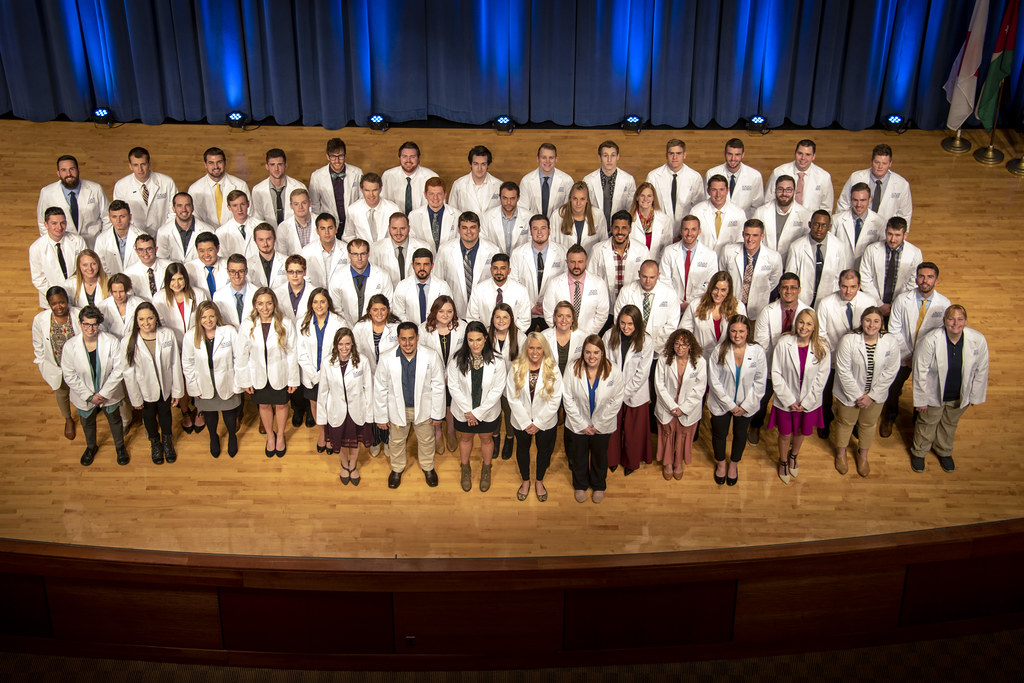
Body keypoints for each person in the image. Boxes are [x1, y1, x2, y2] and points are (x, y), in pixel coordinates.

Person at [910, 305, 989, 473]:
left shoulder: (978, 340)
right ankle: (919, 452)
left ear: (966, 321)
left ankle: (944, 450)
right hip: (934, 394)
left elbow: (981, 369)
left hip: (958, 395)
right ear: (944, 321)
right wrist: (921, 399)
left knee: (950, 424)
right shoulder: (930, 340)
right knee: (927, 424)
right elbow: (920, 371)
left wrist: (974, 396)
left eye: (960, 319)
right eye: (951, 319)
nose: (955, 323)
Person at [881, 262, 949, 438]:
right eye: (922, 276)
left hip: (929, 357)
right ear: (916, 278)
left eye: (930, 277)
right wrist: (909, 355)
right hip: (904, 354)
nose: (925, 280)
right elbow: (894, 329)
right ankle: (889, 416)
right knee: (893, 387)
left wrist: (920, 357)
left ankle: (919, 419)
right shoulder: (903, 300)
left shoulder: (944, 304)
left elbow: (942, 334)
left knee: (924, 388)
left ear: (937, 280)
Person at [374, 322, 445, 488]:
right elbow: (380, 388)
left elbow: (439, 386)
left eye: (411, 338)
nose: (407, 343)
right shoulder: (386, 358)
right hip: (398, 410)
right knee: (396, 441)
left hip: (424, 410)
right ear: (398, 339)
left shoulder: (431, 356)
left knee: (427, 440)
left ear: (417, 337)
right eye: (403, 339)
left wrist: (437, 414)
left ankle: (428, 467)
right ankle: (397, 469)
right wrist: (382, 417)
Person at [832, 307, 900, 477]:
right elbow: (843, 370)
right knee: (845, 423)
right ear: (861, 321)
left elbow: (891, 371)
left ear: (882, 323)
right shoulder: (848, 340)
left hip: (875, 396)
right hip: (850, 395)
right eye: (868, 320)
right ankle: (841, 455)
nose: (871, 324)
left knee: (868, 425)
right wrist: (858, 396)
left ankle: (863, 456)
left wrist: (871, 396)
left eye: (876, 321)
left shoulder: (890, 341)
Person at [235, 287, 300, 457]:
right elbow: (241, 355)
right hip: (258, 376)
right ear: (255, 305)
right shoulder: (248, 324)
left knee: (281, 405)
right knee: (263, 405)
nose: (265, 308)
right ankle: (270, 436)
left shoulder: (285, 323)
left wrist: (293, 379)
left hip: (280, 375)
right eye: (260, 303)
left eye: (269, 303)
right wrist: (245, 380)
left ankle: (280, 436)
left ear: (274, 304)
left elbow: (292, 353)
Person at [61, 305, 128, 466]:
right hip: (85, 395)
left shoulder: (111, 342)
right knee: (87, 422)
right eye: (86, 324)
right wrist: (89, 396)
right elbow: (69, 375)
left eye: (93, 324)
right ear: (80, 324)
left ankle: (120, 447)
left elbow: (119, 369)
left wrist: (104, 393)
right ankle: (91, 446)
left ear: (98, 324)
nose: (90, 328)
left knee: (115, 420)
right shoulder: (70, 346)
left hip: (108, 393)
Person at [769, 310, 831, 484]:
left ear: (814, 327)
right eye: (801, 322)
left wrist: (807, 401)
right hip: (786, 399)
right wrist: (789, 400)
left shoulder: (822, 347)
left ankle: (793, 456)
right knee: (785, 434)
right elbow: (776, 373)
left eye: (809, 324)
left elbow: (822, 378)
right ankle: (783, 461)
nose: (804, 327)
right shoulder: (784, 343)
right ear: (796, 323)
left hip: (809, 400)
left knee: (802, 432)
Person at [562, 336, 625, 503]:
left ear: (602, 353)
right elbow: (567, 398)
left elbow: (616, 400)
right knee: (579, 456)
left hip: (602, 425)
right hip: (577, 424)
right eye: (588, 352)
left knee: (599, 456)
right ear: (583, 352)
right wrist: (582, 424)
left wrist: (598, 424)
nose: (592, 356)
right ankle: (580, 485)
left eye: (596, 352)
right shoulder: (572, 368)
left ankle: (598, 485)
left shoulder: (614, 371)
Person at [815, 270, 877, 437]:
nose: (848, 291)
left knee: (855, 390)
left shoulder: (869, 302)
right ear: (838, 285)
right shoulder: (826, 303)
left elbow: (872, 330)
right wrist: (833, 355)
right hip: (832, 356)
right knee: (826, 393)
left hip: (859, 358)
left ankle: (855, 423)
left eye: (852, 287)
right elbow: (821, 334)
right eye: (844, 286)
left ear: (859, 286)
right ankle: (825, 421)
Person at [707, 315, 767, 486]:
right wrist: (731, 405)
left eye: (741, 331)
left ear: (748, 332)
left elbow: (760, 381)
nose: (737, 335)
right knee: (720, 435)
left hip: (746, 404)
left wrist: (746, 405)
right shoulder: (719, 351)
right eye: (733, 331)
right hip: (722, 403)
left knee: (740, 435)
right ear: (729, 332)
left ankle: (733, 465)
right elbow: (714, 381)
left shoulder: (758, 352)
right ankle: (721, 464)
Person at [749, 273, 809, 444]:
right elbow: (761, 344)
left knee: (793, 400)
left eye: (792, 287)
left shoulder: (808, 312)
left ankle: (789, 431)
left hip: (797, 368)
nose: (788, 291)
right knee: (762, 399)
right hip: (770, 363)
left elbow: (810, 342)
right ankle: (755, 425)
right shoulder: (768, 312)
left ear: (799, 290)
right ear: (780, 290)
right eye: (784, 287)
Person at [121, 302, 184, 465]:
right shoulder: (129, 340)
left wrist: (177, 391)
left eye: (150, 318)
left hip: (165, 387)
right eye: (141, 319)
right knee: (148, 417)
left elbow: (175, 363)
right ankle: (155, 443)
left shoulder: (167, 334)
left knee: (165, 416)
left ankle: (167, 441)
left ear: (156, 317)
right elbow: (129, 373)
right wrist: (135, 398)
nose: (146, 322)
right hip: (144, 390)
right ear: (136, 321)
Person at [448, 321, 507, 492]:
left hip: (487, 412)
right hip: (463, 411)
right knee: (465, 439)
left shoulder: (498, 361)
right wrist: (469, 412)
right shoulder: (456, 360)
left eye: (479, 340)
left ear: (486, 339)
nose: (475, 344)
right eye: (471, 340)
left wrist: (478, 413)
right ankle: (465, 468)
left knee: (486, 439)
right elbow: (453, 387)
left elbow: (497, 390)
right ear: (466, 340)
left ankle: (486, 469)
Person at [506, 332, 563, 502]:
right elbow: (512, 397)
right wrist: (525, 422)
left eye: (539, 348)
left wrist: (538, 422)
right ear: (526, 348)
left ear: (544, 349)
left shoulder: (553, 368)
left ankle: (539, 481)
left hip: (545, 422)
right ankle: (525, 481)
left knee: (544, 451)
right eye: (531, 347)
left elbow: (555, 400)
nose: (535, 351)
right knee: (522, 450)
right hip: (520, 422)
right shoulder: (516, 367)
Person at [182, 301, 242, 458]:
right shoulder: (190, 336)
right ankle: (213, 437)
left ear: (217, 316)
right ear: (198, 319)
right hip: (204, 380)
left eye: (211, 316)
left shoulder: (228, 331)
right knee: (209, 413)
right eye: (203, 317)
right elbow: (187, 364)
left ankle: (232, 436)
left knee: (229, 411)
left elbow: (239, 358)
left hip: (226, 378)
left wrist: (238, 382)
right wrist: (193, 387)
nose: (208, 320)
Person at [153, 263, 207, 432]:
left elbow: (205, 317)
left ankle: (200, 410)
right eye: (173, 279)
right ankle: (185, 411)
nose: (176, 283)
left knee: (199, 376)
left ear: (186, 279)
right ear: (167, 281)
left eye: (180, 279)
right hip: (173, 345)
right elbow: (159, 324)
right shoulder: (159, 298)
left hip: (197, 342)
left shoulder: (198, 294)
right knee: (180, 380)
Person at [317, 328, 374, 485]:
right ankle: (344, 464)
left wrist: (369, 414)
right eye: (341, 344)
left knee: (354, 441)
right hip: (336, 410)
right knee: (340, 441)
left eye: (347, 344)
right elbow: (323, 391)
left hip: (357, 409)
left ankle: (353, 465)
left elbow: (368, 388)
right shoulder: (328, 362)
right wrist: (321, 417)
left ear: (352, 344)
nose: (344, 348)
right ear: (336, 345)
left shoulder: (362, 361)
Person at [603, 305, 654, 474]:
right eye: (623, 323)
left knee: (634, 431)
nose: (626, 327)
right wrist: (616, 391)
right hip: (612, 389)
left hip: (636, 392)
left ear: (637, 324)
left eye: (630, 324)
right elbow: (606, 364)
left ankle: (631, 462)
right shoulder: (609, 335)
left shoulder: (646, 340)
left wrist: (625, 393)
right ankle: (612, 459)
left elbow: (642, 373)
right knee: (612, 426)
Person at [654, 329, 706, 480]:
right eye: (677, 343)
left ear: (690, 346)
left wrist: (683, 409)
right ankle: (668, 463)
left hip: (688, 409)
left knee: (683, 436)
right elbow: (659, 384)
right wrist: (672, 406)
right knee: (667, 434)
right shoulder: (664, 359)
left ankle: (678, 463)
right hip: (667, 406)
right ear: (672, 344)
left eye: (684, 344)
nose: (680, 347)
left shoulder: (700, 361)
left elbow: (699, 388)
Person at [297, 288, 344, 453]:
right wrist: (314, 375)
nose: (319, 305)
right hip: (311, 375)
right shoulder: (303, 322)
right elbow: (300, 352)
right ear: (311, 304)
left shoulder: (339, 322)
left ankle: (331, 435)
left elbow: (342, 349)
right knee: (315, 404)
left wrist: (323, 374)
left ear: (328, 303)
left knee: (330, 404)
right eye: (315, 302)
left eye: (322, 301)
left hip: (332, 372)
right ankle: (322, 434)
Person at [32, 286, 81, 440]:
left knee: (83, 389)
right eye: (54, 304)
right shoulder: (40, 320)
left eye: (61, 302)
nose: (58, 307)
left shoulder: (78, 314)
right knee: (62, 393)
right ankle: (68, 419)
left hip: (77, 365)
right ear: (49, 304)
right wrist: (42, 362)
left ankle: (88, 414)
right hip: (57, 366)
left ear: (67, 301)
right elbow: (38, 344)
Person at [419, 295, 465, 455]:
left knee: (451, 404)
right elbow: (422, 356)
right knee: (436, 403)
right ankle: (437, 434)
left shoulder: (462, 328)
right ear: (434, 312)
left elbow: (463, 354)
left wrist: (450, 375)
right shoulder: (423, 329)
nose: (445, 315)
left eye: (449, 311)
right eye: (441, 311)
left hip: (454, 375)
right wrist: (438, 376)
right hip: (431, 376)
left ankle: (451, 431)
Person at [433, 211, 499, 316]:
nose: (469, 231)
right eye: (464, 228)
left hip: (483, 311)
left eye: (473, 227)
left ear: (479, 228)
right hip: (454, 311)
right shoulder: (445, 250)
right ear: (458, 229)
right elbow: (437, 281)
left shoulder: (493, 250)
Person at [36, 154, 110, 247]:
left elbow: (107, 218)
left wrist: (103, 241)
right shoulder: (47, 192)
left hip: (93, 244)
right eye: (64, 170)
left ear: (78, 170)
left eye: (72, 169)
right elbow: (42, 222)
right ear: (58, 173)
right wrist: (52, 244)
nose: (68, 174)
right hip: (65, 246)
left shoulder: (96, 189)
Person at [719, 219, 783, 323]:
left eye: (755, 235)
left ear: (762, 236)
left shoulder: (774, 257)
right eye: (747, 234)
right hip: (731, 306)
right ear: (743, 234)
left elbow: (773, 282)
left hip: (757, 310)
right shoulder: (728, 251)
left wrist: (757, 291)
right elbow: (722, 276)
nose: (750, 239)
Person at [835, 143, 913, 229]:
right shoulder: (856, 177)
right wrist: (840, 227)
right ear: (871, 161)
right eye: (877, 162)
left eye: (884, 163)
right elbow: (843, 203)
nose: (880, 167)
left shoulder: (902, 184)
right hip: (857, 226)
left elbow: (905, 214)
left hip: (885, 230)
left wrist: (903, 233)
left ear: (890, 163)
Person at [785, 210, 853, 307]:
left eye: (824, 225)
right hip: (802, 299)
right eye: (816, 224)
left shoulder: (839, 246)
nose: (819, 229)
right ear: (809, 224)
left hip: (829, 300)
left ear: (829, 227)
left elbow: (840, 276)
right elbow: (790, 278)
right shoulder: (796, 246)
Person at [510, 214, 567, 330]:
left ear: (549, 230)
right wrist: (530, 306)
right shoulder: (517, 253)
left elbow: (564, 283)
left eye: (543, 228)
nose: (539, 232)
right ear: (530, 231)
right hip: (525, 310)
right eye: (535, 228)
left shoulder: (562, 252)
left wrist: (547, 306)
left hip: (552, 311)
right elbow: (513, 284)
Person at [858, 217, 922, 316]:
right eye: (890, 234)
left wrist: (895, 304)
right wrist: (879, 304)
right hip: (874, 303)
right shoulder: (871, 250)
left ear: (905, 235)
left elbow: (913, 281)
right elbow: (865, 278)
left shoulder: (915, 253)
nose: (893, 239)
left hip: (901, 304)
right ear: (885, 232)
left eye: (897, 235)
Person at [613, 260, 679, 354]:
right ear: (639, 274)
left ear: (658, 275)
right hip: (629, 345)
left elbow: (671, 326)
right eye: (644, 276)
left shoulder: (670, 294)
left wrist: (651, 345)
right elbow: (618, 319)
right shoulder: (626, 291)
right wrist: (635, 343)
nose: (648, 281)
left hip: (658, 349)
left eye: (652, 277)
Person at [541, 244, 609, 336]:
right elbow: (549, 313)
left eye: (580, 262)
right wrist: (562, 331)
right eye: (572, 262)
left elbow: (602, 314)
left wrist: (588, 334)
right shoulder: (554, 284)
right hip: (562, 335)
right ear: (567, 262)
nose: (576, 266)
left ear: (586, 262)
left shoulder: (599, 283)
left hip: (589, 336)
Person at [588, 210, 651, 309]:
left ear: (630, 229)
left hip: (632, 308)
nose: (620, 232)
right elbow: (590, 281)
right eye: (616, 227)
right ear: (611, 228)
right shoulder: (598, 250)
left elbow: (647, 280)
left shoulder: (642, 250)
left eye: (624, 228)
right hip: (605, 308)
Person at [680, 271, 746, 362]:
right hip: (700, 358)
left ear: (729, 291)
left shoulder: (739, 307)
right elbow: (684, 333)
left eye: (723, 290)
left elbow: (743, 336)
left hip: (728, 359)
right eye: (715, 289)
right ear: (710, 288)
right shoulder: (695, 305)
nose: (718, 294)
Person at [488, 302, 525, 460]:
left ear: (511, 319)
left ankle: (509, 439)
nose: (501, 320)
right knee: (493, 413)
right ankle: (495, 438)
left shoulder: (521, 337)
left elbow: (524, 363)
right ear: (492, 319)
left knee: (510, 414)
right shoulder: (487, 336)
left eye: (505, 317)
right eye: (497, 317)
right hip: (491, 384)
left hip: (512, 384)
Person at [112, 146, 177, 237]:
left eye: (143, 164)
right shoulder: (121, 186)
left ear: (149, 164)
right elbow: (120, 213)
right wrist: (137, 235)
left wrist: (165, 231)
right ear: (130, 166)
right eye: (135, 165)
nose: (140, 169)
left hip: (164, 234)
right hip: (135, 235)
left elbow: (174, 211)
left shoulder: (166, 182)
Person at [659, 214, 717, 313]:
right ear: (681, 231)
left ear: (699, 231)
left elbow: (710, 284)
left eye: (693, 229)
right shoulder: (669, 252)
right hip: (672, 305)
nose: (689, 233)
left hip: (698, 306)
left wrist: (691, 304)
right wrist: (678, 304)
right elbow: (664, 281)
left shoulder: (710, 255)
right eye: (686, 229)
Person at [646, 138, 706, 234]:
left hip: (686, 232)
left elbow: (698, 208)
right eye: (671, 153)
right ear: (666, 155)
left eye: (678, 153)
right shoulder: (653, 176)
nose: (675, 157)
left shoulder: (695, 177)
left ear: (684, 155)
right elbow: (648, 205)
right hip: (659, 229)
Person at [329, 238, 394, 325]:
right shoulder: (337, 277)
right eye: (355, 254)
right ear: (349, 255)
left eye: (363, 254)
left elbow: (388, 306)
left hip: (375, 327)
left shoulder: (383, 276)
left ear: (368, 254)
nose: (359, 258)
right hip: (346, 327)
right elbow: (336, 309)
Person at [30, 207, 86, 307]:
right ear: (46, 225)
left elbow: (85, 268)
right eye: (54, 223)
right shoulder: (36, 248)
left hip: (77, 294)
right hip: (52, 299)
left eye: (63, 223)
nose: (59, 227)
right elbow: (38, 278)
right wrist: (57, 295)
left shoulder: (78, 241)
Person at [308, 138, 363, 236]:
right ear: (327, 157)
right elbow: (314, 205)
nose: (337, 161)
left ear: (345, 156)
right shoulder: (316, 176)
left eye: (340, 156)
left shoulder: (357, 173)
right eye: (333, 157)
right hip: (329, 227)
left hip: (352, 224)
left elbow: (362, 200)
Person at [765, 139, 834, 213]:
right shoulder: (778, 172)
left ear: (813, 156)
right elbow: (768, 200)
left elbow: (826, 207)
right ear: (795, 153)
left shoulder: (824, 177)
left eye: (808, 154)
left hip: (810, 221)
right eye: (800, 153)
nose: (803, 158)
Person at [187, 147, 249, 228]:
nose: (216, 166)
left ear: (225, 163)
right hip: (206, 235)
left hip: (234, 233)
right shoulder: (194, 189)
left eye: (219, 162)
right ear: (205, 165)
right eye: (211, 163)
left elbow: (248, 213)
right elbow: (194, 217)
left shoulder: (240, 185)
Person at [467, 252, 530, 330]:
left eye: (503, 268)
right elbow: (473, 318)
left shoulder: (521, 291)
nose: (499, 272)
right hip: (485, 336)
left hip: (513, 336)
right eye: (495, 268)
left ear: (509, 270)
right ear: (491, 270)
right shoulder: (478, 290)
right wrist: (485, 336)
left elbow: (524, 320)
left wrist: (510, 336)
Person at [752, 175, 810, 260]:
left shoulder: (805, 215)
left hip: (791, 262)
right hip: (765, 262)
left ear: (794, 191)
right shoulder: (761, 212)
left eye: (788, 190)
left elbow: (805, 244)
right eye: (780, 189)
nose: (784, 193)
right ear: (775, 190)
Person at [704, 138, 765, 217]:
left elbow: (757, 206)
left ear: (743, 155)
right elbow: (707, 201)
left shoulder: (755, 176)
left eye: (737, 155)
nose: (733, 159)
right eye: (730, 154)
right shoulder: (711, 174)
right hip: (717, 220)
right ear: (724, 154)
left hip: (743, 223)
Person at [583, 140, 637, 227]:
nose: (609, 159)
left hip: (619, 228)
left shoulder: (628, 180)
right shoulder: (588, 180)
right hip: (594, 226)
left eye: (613, 155)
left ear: (618, 157)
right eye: (605, 156)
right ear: (599, 158)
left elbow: (631, 208)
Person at [391, 248, 452, 324]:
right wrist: (412, 330)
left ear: (432, 266)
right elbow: (398, 314)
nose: (422, 268)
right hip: (410, 332)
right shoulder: (402, 286)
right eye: (418, 264)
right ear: (413, 265)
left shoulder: (442, 286)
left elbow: (448, 312)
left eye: (426, 264)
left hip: (435, 330)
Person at [368, 213, 431, 287]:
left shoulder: (424, 246)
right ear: (388, 228)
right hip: (387, 295)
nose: (398, 233)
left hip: (415, 294)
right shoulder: (375, 248)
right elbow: (373, 277)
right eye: (394, 228)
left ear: (409, 228)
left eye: (402, 228)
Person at [251, 148, 308, 227]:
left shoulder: (299, 187)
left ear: (285, 165)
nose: (276, 169)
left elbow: (306, 214)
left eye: (279, 164)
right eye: (272, 164)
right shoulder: (257, 190)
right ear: (267, 166)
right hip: (269, 235)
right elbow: (257, 217)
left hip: (293, 232)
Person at [831, 182, 885, 264]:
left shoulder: (880, 222)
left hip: (866, 270)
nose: (859, 205)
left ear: (870, 200)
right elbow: (831, 248)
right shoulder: (836, 220)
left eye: (863, 200)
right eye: (855, 200)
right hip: (841, 270)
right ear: (850, 199)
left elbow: (880, 252)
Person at [690, 175, 746, 254]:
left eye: (721, 190)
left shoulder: (739, 213)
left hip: (729, 259)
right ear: (708, 191)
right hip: (703, 258)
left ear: (727, 190)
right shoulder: (696, 211)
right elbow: (692, 240)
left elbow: (741, 241)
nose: (718, 194)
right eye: (714, 190)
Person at [519, 143, 574, 219]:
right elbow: (523, 209)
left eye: (551, 157)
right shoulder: (526, 181)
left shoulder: (567, 180)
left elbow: (568, 209)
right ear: (538, 159)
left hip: (558, 226)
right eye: (544, 157)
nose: (547, 161)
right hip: (533, 226)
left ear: (556, 159)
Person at [381, 141, 437, 215]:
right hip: (395, 223)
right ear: (399, 158)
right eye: (404, 156)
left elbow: (438, 205)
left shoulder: (431, 177)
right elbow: (382, 203)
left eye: (412, 157)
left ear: (419, 158)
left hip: (422, 222)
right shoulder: (387, 176)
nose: (408, 160)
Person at [156, 192, 213, 264]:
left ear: (193, 207)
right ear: (173, 208)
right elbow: (162, 261)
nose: (184, 209)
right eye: (179, 206)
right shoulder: (163, 232)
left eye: (187, 205)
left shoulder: (208, 230)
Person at [553, 181, 608, 255]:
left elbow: (604, 244)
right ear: (570, 199)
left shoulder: (598, 215)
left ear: (587, 200)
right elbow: (551, 244)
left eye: (582, 199)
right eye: (575, 198)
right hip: (564, 263)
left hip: (589, 263)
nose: (578, 203)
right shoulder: (557, 215)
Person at [348, 173, 401, 246]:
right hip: (362, 254)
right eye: (367, 190)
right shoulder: (353, 209)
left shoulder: (393, 209)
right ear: (361, 190)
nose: (371, 195)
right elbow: (348, 236)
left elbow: (399, 236)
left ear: (380, 189)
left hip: (387, 252)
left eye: (374, 190)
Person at [449, 145, 502, 215]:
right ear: (470, 164)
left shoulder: (499, 185)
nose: (479, 168)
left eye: (483, 164)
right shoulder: (458, 185)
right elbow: (452, 213)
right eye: (476, 164)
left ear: (488, 165)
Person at [481, 181, 531, 255]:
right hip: (494, 261)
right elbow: (483, 242)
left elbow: (532, 243)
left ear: (518, 198)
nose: (508, 202)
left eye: (512, 198)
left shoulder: (529, 217)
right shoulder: (487, 217)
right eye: (505, 198)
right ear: (499, 197)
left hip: (521, 260)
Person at [409, 177, 459, 251]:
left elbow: (458, 242)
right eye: (431, 194)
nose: (435, 198)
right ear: (425, 195)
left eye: (439, 194)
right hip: (424, 260)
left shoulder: (457, 215)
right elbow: (412, 243)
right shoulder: (414, 216)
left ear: (445, 195)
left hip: (449, 259)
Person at [95, 199, 144, 275]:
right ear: (109, 218)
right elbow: (101, 267)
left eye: (122, 216)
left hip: (137, 281)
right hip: (112, 281)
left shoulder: (142, 236)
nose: (118, 221)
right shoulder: (101, 240)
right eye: (114, 217)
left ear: (130, 217)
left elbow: (144, 265)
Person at [628, 182, 674, 261]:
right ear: (637, 197)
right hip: (633, 263)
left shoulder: (665, 220)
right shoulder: (628, 218)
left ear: (653, 198)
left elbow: (666, 248)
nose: (645, 199)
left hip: (656, 265)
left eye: (649, 196)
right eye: (642, 195)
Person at [301, 213, 347, 289]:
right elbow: (304, 278)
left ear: (336, 229)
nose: (327, 232)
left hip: (341, 295)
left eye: (330, 228)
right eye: (322, 228)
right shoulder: (307, 251)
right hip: (316, 296)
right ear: (317, 231)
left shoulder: (346, 250)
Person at [541, 300, 587, 376]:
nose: (564, 320)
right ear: (554, 318)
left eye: (568, 316)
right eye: (560, 316)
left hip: (574, 380)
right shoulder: (543, 336)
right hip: (549, 380)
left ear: (573, 319)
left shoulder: (583, 337)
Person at [215, 190, 262, 260]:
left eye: (242, 204)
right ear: (229, 207)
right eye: (235, 205)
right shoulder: (221, 232)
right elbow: (223, 259)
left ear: (248, 204)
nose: (239, 209)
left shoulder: (261, 226)